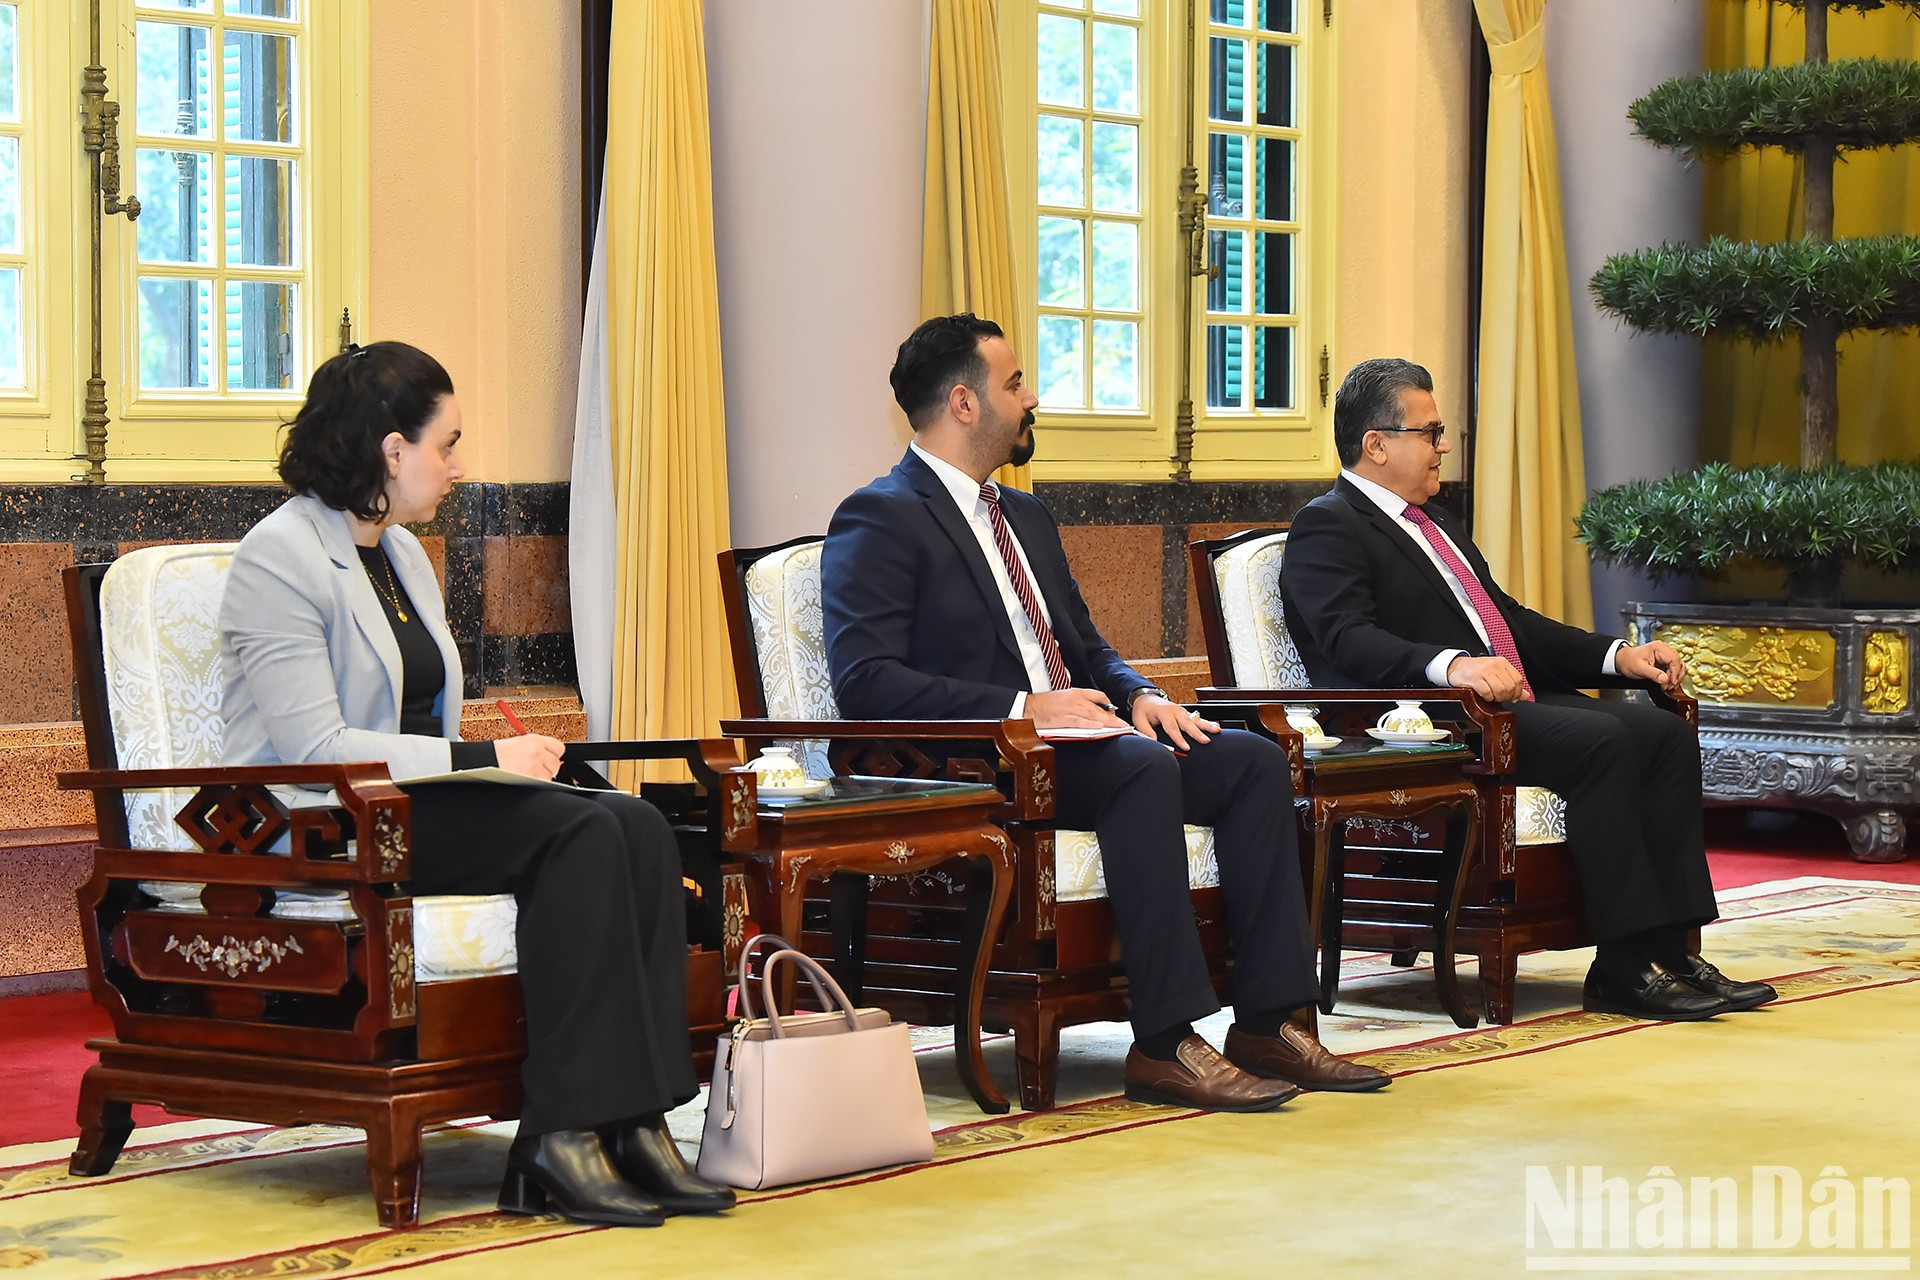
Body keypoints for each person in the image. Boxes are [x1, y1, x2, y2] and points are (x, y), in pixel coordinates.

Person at [218, 341, 735, 1227]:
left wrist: (498, 755)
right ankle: (558, 1138)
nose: (457, 466)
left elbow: (419, 718)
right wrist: (477, 764)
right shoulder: (281, 557)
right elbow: (316, 746)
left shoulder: (405, 556)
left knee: (636, 824)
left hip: (421, 804)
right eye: (446, 445)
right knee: (576, 835)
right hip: (327, 818)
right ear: (391, 451)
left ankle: (636, 1124)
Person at [821, 313, 1389, 1111]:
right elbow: (867, 682)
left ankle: (1268, 1022)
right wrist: (1027, 705)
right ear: (963, 402)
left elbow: (1088, 648)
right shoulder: (880, 516)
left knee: (1249, 762)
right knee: (1140, 772)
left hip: (1088, 742)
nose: (1032, 397)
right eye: (1015, 384)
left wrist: (1140, 696)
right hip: (988, 757)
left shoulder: (1026, 517)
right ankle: (1163, 1043)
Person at [1278, 357, 1776, 1022]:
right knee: (1600, 739)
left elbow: (1508, 623)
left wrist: (1617, 657)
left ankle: (1673, 950)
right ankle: (1624, 966)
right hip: (1423, 719)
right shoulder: (1328, 524)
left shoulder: (1437, 524)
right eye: (1431, 432)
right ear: (1376, 444)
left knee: (1660, 730)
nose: (1444, 446)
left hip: (1498, 706)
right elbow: (1345, 639)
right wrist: (1452, 665)